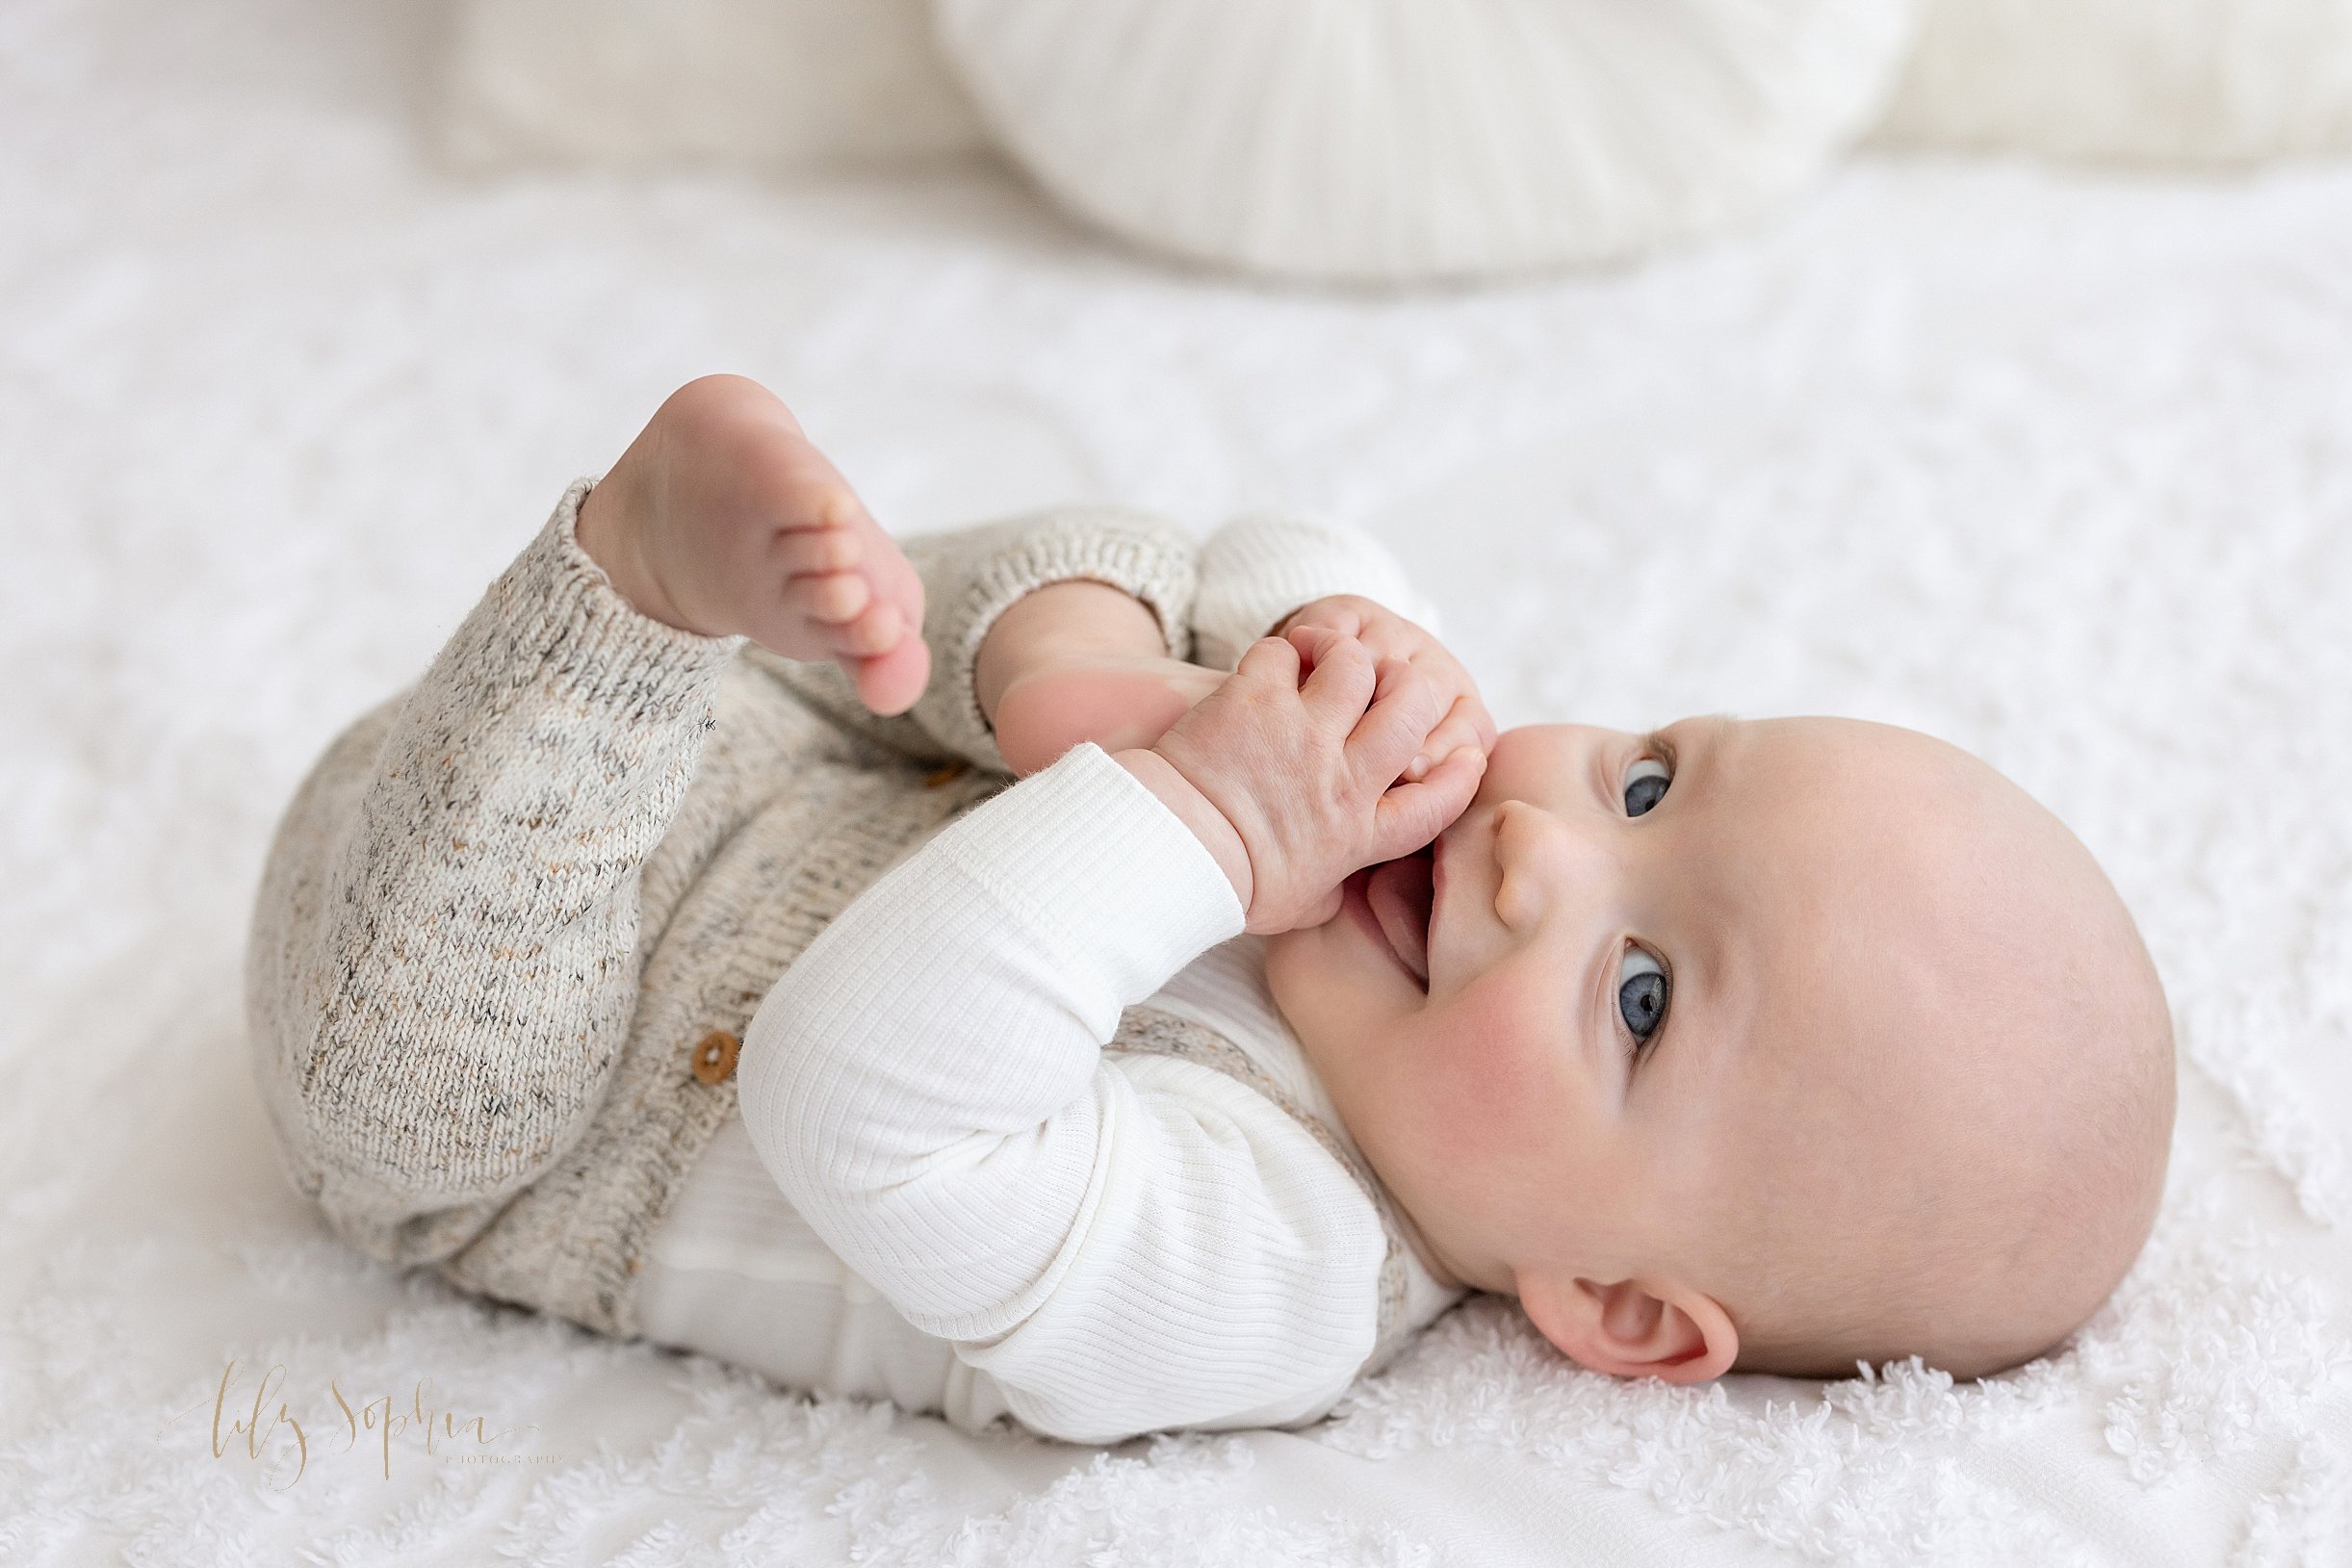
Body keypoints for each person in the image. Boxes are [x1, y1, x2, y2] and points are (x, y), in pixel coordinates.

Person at [246, 374, 2176, 1445]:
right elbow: (1286, 540)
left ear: (1611, 1306)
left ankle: (632, 579)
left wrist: (1194, 811)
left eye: (1644, 995)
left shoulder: (1265, 1279)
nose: (1536, 848)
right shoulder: (1417, 892)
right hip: (777, 746)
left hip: (533, 1086)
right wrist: (1321, 652)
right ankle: (1036, 668)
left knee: (410, 1106)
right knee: (1134, 595)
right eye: (1646, 781)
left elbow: (852, 1089)